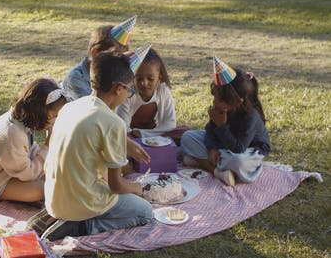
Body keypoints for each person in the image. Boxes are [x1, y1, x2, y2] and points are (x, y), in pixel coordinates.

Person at [41, 52, 153, 241]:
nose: (128, 96)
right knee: (145, 212)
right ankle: (83, 226)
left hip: (53, 199)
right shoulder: (113, 123)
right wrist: (137, 188)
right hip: (81, 205)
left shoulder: (71, 107)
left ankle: (75, 218)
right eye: (129, 90)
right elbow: (116, 185)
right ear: (119, 88)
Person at [62, 16, 151, 165]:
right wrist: (126, 143)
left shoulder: (115, 80)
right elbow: (93, 116)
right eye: (116, 56)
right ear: (96, 53)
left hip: (99, 134)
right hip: (77, 142)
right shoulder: (75, 78)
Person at [0, 78, 68, 206]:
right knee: (46, 189)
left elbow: (28, 151)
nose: (55, 121)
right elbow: (27, 174)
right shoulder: (11, 134)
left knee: (56, 175)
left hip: (9, 172)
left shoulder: (20, 122)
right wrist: (47, 147)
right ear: (38, 112)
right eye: (53, 116)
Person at [180, 57, 271, 186]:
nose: (214, 102)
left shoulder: (250, 116)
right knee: (187, 137)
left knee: (238, 161)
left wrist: (222, 126)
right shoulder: (220, 109)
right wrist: (212, 147)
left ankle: (202, 161)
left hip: (246, 151)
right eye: (215, 96)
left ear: (237, 101)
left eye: (219, 99)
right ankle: (218, 171)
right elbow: (210, 130)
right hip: (223, 146)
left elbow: (239, 148)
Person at [116, 48, 189, 145]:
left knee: (185, 133)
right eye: (139, 78)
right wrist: (134, 135)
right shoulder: (127, 93)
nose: (144, 83)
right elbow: (123, 128)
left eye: (150, 79)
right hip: (132, 137)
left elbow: (170, 124)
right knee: (120, 138)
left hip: (155, 135)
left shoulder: (163, 90)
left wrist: (142, 133)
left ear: (159, 78)